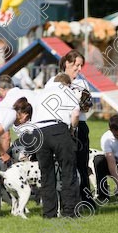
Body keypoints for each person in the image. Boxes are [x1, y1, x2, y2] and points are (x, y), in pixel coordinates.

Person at [46, 50, 95, 207]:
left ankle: (86, 199)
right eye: (77, 65)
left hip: (80, 124)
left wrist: (83, 103)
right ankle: (66, 200)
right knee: (65, 164)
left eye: (81, 65)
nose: (79, 69)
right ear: (67, 63)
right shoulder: (53, 81)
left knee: (82, 162)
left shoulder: (82, 83)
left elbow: (87, 107)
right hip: (61, 126)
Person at [29, 73, 81, 218]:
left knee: (46, 174)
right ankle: (69, 212)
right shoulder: (67, 91)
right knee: (67, 171)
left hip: (38, 132)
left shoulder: (40, 93)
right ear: (67, 84)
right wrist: (72, 129)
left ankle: (49, 213)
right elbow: (76, 115)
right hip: (58, 130)